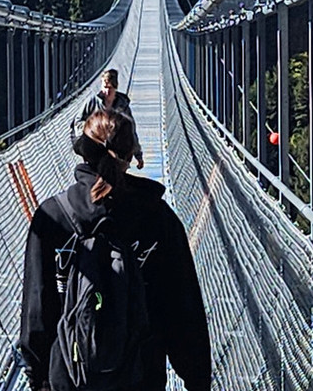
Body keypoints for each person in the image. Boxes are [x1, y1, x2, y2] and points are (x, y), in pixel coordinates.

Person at [19, 109, 211, 391]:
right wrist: (197, 379)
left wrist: (38, 379)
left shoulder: (52, 217)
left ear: (82, 150)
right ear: (132, 153)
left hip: (70, 378)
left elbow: (37, 310)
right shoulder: (158, 218)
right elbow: (183, 311)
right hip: (141, 376)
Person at [77, 69, 144, 169]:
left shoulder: (123, 107)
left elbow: (131, 131)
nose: (107, 92)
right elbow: (77, 122)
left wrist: (138, 155)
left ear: (116, 88)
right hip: (96, 152)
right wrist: (91, 129)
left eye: (110, 88)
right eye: (104, 87)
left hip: (118, 154)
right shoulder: (92, 103)